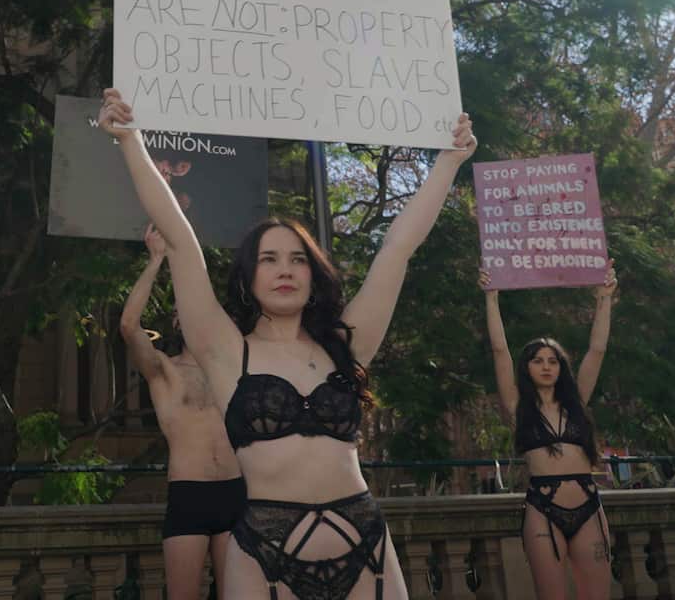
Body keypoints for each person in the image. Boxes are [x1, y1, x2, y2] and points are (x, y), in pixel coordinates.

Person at [100, 88, 476, 600]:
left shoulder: (346, 344)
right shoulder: (227, 352)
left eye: (298, 259)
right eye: (269, 259)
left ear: (313, 273)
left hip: (363, 540)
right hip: (264, 549)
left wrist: (449, 163)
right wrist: (130, 141)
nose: (284, 270)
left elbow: (398, 248)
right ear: (249, 276)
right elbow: (181, 238)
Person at [120, 225, 245, 600]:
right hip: (190, 494)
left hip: (237, 491)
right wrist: (158, 258)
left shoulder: (234, 371)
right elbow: (128, 326)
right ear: (177, 322)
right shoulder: (165, 370)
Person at [480, 262, 617, 600]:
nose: (545, 366)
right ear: (526, 367)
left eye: (553, 360)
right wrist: (492, 298)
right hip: (543, 509)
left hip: (587, 504)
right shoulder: (518, 407)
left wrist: (604, 299)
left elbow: (597, 350)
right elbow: (499, 350)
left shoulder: (576, 402)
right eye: (537, 360)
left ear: (561, 367)